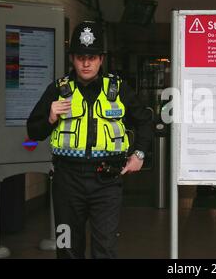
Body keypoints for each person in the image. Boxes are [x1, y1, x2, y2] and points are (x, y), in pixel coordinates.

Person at [27, 21, 151, 259]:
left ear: (101, 60)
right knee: (67, 249)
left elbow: (145, 121)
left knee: (105, 248)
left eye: (92, 57)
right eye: (81, 57)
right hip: (67, 181)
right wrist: (50, 117)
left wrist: (140, 154)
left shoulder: (118, 89)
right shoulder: (57, 89)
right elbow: (33, 132)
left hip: (107, 180)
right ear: (72, 58)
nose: (86, 63)